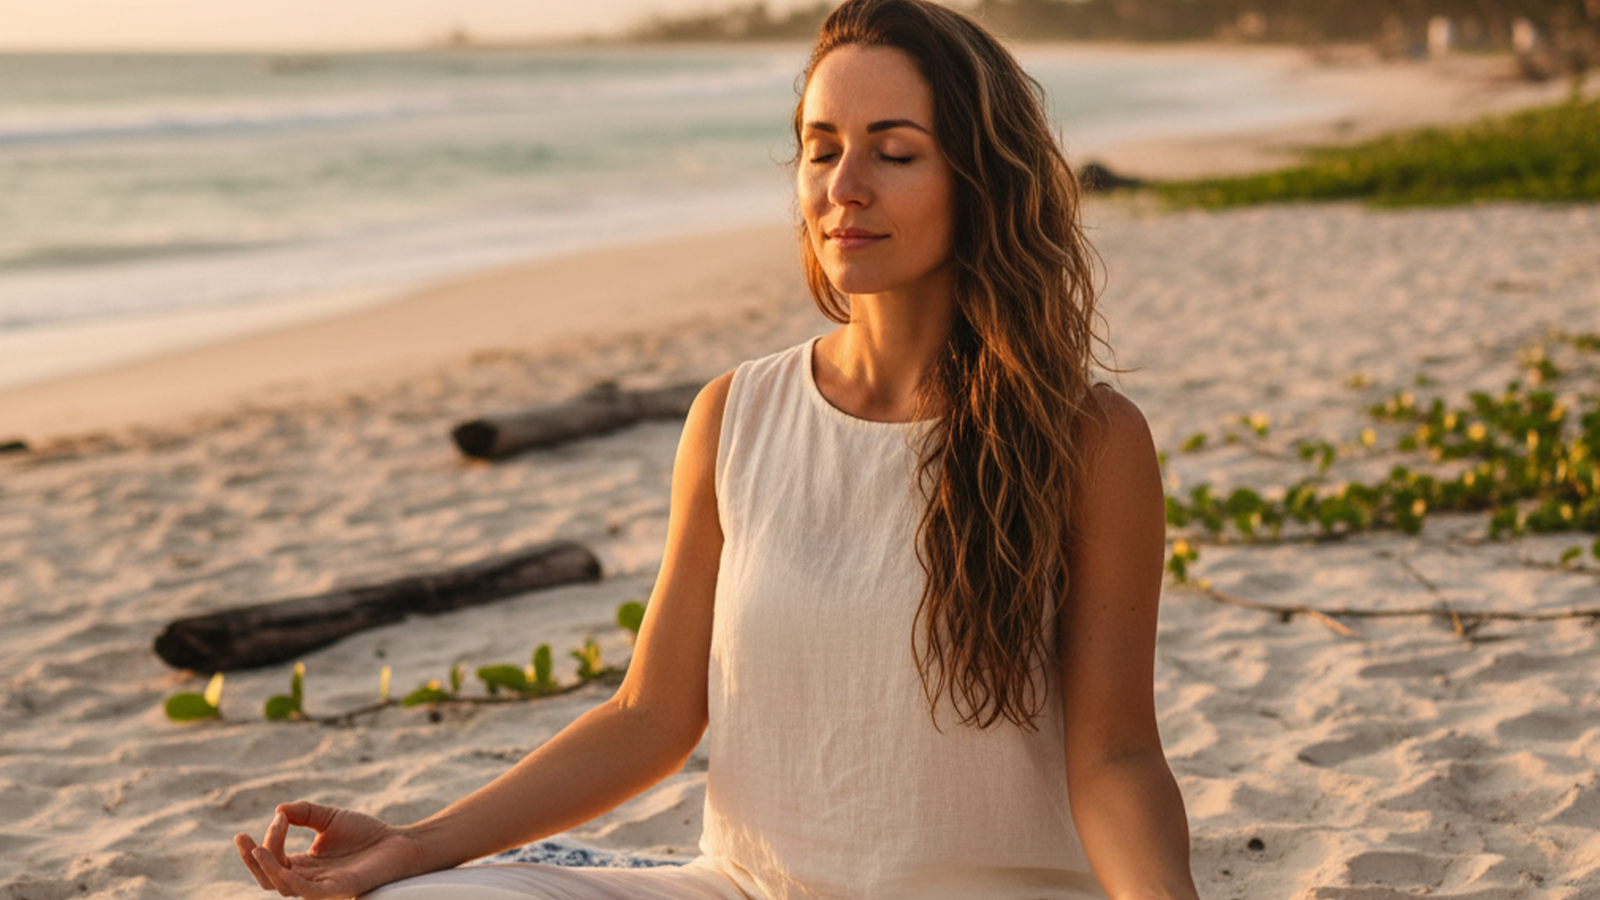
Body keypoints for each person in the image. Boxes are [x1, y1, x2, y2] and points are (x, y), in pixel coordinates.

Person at [234, 2, 1199, 898]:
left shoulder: (1086, 440)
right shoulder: (736, 413)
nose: (844, 189)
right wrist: (417, 840)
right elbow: (650, 716)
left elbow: (1116, 758)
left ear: (979, 182)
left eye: (894, 152)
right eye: (820, 151)